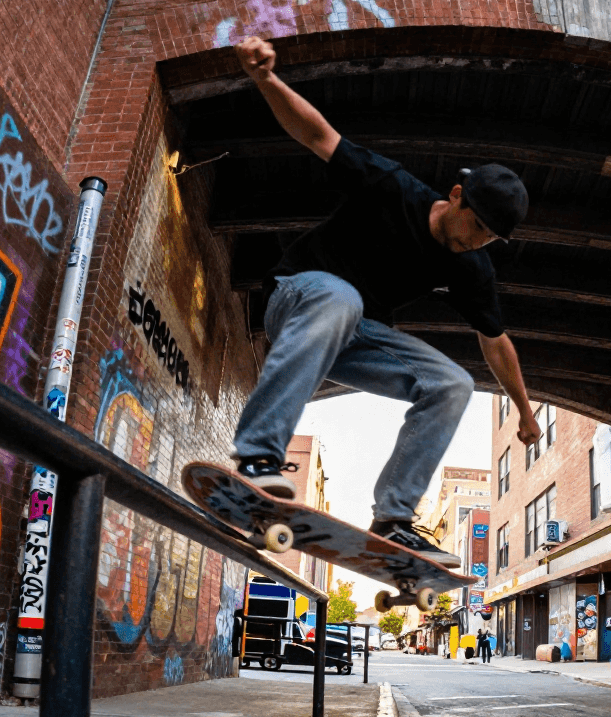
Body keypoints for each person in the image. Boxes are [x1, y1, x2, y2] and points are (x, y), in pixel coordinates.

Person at [229, 36, 541, 568]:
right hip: (298, 297)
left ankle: (393, 517)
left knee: (452, 383)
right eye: (477, 227)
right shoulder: (392, 186)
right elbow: (317, 134)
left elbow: (497, 343)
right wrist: (265, 79)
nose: (478, 241)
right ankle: (258, 454)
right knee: (342, 297)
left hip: (355, 336)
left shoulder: (472, 266)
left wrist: (525, 409)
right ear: (458, 196)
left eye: (492, 238)